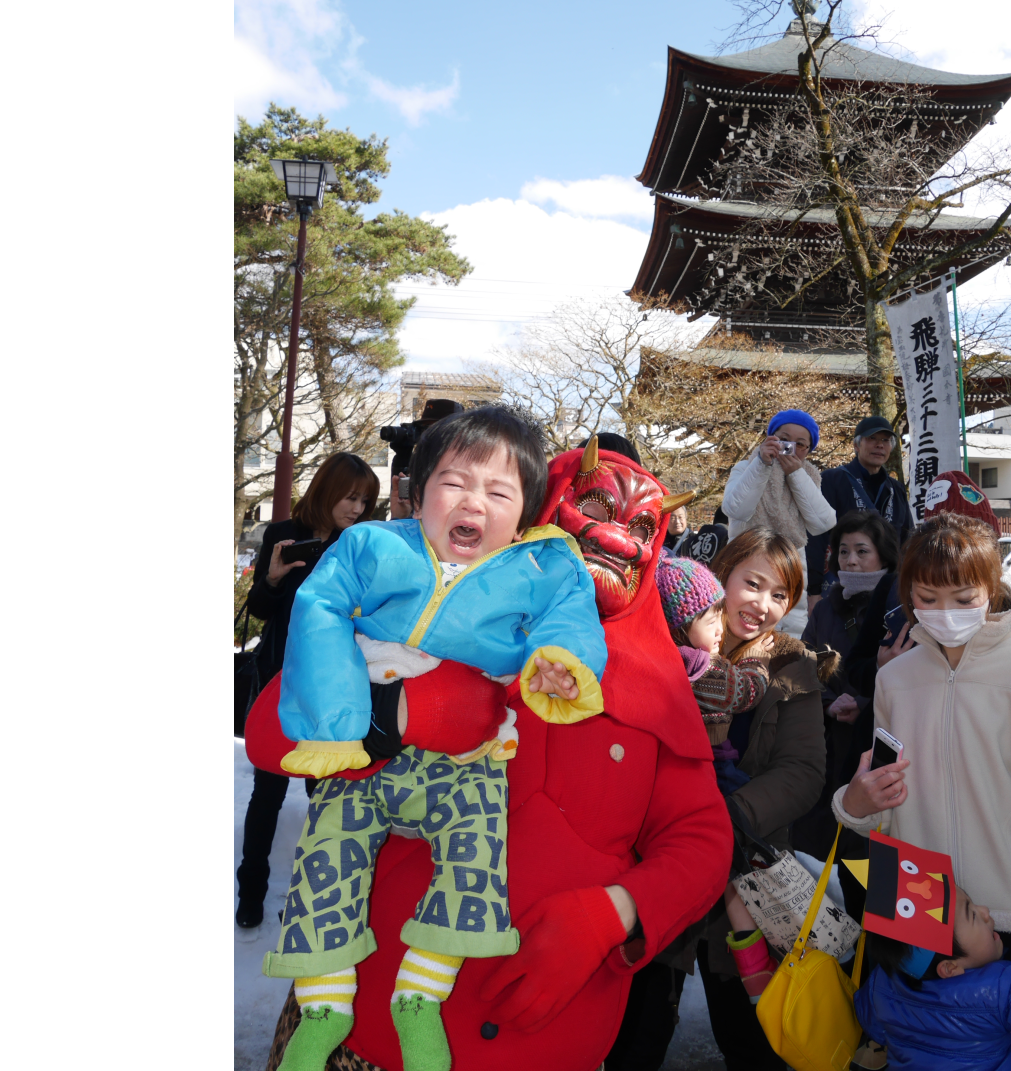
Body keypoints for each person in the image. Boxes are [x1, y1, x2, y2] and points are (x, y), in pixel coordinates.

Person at [247, 436, 730, 1071]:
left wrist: (613, 914)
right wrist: (401, 713)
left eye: (641, 525)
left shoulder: (660, 692)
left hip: (547, 1041)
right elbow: (269, 732)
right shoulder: (435, 604)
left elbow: (701, 838)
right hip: (362, 1027)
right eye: (590, 505)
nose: (613, 539)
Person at [265, 408, 608, 1071]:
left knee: (478, 862)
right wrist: (339, 726)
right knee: (325, 861)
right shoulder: (375, 548)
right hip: (363, 750)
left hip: (466, 759)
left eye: (499, 492)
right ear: (419, 493)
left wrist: (560, 664)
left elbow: (567, 619)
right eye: (453, 483)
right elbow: (319, 607)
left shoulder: (541, 566)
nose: (473, 501)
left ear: (527, 513)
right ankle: (324, 1007)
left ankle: (419, 999)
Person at [635, 526, 829, 1071]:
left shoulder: (792, 666)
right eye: (753, 584)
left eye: (780, 595)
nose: (762, 606)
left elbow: (803, 771)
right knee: (639, 1030)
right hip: (661, 867)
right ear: (724, 573)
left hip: (747, 879)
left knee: (751, 1040)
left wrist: (720, 821)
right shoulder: (670, 641)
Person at [833, 510, 1011, 979]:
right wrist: (855, 803)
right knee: (917, 1043)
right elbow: (882, 804)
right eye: (928, 597)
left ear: (991, 589)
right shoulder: (895, 678)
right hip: (910, 911)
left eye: (964, 598)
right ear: (907, 596)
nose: (946, 612)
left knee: (1006, 1046)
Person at [237, 452, 379, 930]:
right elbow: (259, 608)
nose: (357, 508)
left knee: (328, 794)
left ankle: (314, 894)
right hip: (282, 678)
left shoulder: (359, 543)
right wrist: (275, 579)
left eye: (365, 500)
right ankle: (250, 888)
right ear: (328, 488)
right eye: (351, 496)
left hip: (333, 686)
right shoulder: (282, 534)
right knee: (268, 790)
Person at [655, 554, 774, 1000]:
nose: (721, 624)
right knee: (744, 859)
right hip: (713, 774)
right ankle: (753, 958)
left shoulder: (666, 659)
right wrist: (760, 662)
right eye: (709, 617)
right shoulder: (698, 667)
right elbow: (744, 692)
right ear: (680, 626)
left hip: (683, 778)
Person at [793, 509, 904, 856]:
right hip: (827, 735)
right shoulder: (825, 609)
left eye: (862, 551)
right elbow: (804, 664)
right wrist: (830, 702)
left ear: (883, 554)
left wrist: (863, 703)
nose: (851, 560)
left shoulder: (899, 606)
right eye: (843, 551)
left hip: (877, 735)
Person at [853, 879, 1011, 1071]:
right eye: (972, 915)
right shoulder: (999, 989)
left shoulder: (881, 983)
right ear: (949, 968)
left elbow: (870, 1023)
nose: (985, 911)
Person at [719, 410, 837, 640]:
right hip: (745, 563)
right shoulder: (746, 467)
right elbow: (735, 509)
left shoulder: (809, 477)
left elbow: (824, 522)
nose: (789, 447)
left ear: (808, 451)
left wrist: (796, 474)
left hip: (787, 572)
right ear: (769, 437)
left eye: (800, 444)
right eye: (783, 439)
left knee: (783, 646)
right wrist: (762, 464)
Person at [803, 416, 912, 614]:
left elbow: (907, 540)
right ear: (856, 445)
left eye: (886, 440)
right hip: (840, 586)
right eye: (872, 439)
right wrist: (814, 591)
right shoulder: (832, 480)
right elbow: (816, 538)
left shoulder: (895, 489)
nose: (879, 445)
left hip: (886, 590)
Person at [387, 398, 463, 519]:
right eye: (425, 429)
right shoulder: (417, 464)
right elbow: (402, 518)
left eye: (437, 430)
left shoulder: (468, 470)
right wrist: (402, 457)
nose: (429, 437)